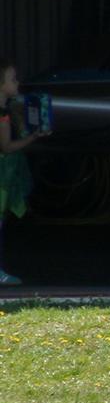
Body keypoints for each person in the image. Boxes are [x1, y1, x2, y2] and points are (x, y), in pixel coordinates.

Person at [0, 59, 41, 286]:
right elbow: (6, 147)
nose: (17, 83)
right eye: (13, 79)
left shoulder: (9, 110)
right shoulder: (2, 115)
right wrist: (32, 138)